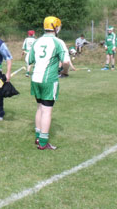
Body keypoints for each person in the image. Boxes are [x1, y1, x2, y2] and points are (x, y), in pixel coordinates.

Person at [29, 16, 70, 150]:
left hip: (35, 78)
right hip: (48, 80)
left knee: (40, 107)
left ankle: (37, 136)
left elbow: (29, 60)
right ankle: (43, 143)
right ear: (55, 27)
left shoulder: (36, 41)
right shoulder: (58, 42)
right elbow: (66, 62)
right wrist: (64, 71)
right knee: (47, 110)